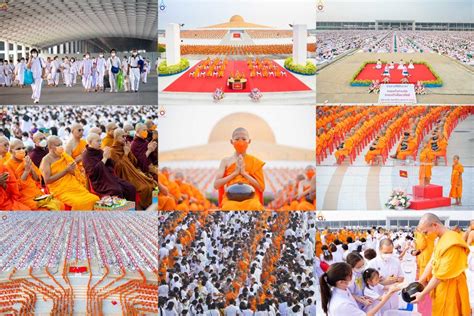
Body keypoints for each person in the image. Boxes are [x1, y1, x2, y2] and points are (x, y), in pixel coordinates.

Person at [411, 213, 470, 316]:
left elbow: (440, 276)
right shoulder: (440, 238)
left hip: (451, 286)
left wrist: (423, 294)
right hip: (441, 286)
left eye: (426, 232)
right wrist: (420, 282)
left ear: (435, 225)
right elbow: (433, 260)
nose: (425, 236)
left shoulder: (453, 242)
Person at [40, 136, 100, 210]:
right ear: (51, 147)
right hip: (60, 190)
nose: (61, 146)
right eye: (58, 145)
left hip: (73, 186)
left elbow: (74, 173)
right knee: (79, 203)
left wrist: (73, 171)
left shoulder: (64, 156)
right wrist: (66, 171)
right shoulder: (46, 160)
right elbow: (47, 180)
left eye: (61, 144)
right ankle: (75, 220)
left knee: (95, 198)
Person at [214, 127, 265, 210]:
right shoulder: (225, 161)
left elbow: (261, 188)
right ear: (231, 142)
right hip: (230, 198)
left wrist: (244, 173)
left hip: (250, 197)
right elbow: (216, 185)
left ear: (249, 141)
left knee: (255, 206)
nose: (241, 142)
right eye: (237, 139)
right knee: (228, 207)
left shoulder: (255, 162)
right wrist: (235, 173)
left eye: (244, 139)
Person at [320, 262, 399, 316]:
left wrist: (359, 298)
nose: (353, 277)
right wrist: (386, 298)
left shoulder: (343, 289)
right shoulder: (342, 304)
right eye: (351, 275)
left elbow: (350, 296)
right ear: (341, 282)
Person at [5, 139, 63, 210]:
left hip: (34, 191)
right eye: (18, 149)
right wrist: (26, 171)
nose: (22, 150)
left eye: (23, 148)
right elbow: (15, 188)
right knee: (45, 210)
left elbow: (37, 179)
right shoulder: (7, 166)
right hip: (22, 196)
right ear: (11, 151)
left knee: (60, 204)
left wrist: (31, 168)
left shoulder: (26, 160)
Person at [109, 128, 156, 210]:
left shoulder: (125, 147)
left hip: (133, 172)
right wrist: (126, 154)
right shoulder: (113, 151)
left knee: (150, 183)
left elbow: (134, 162)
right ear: (116, 137)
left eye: (125, 136)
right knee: (144, 188)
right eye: (122, 136)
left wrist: (129, 151)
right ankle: (142, 207)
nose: (124, 138)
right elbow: (118, 167)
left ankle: (151, 206)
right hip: (124, 175)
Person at [82, 133, 136, 202]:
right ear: (90, 142)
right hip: (99, 182)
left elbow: (111, 165)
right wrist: (104, 158)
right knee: (117, 191)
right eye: (97, 141)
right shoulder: (86, 155)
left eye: (100, 140)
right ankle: (119, 211)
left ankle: (130, 209)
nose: (100, 143)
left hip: (110, 177)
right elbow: (93, 173)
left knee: (130, 188)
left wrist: (109, 157)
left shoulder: (100, 151)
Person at [367, 239, 404, 311]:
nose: (388, 255)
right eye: (386, 252)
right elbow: (368, 284)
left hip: (393, 297)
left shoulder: (395, 261)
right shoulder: (372, 264)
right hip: (380, 298)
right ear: (380, 250)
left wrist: (396, 279)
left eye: (391, 252)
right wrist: (385, 282)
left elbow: (401, 278)